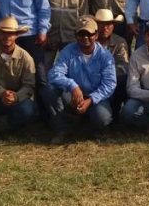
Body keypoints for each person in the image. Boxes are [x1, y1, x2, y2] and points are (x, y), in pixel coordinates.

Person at [43, 16, 116, 144]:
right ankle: (61, 130)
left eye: (89, 34)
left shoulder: (105, 56)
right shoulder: (67, 51)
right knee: (50, 90)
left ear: (96, 35)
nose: (85, 38)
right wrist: (72, 86)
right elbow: (54, 74)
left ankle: (97, 131)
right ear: (75, 35)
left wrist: (90, 100)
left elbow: (110, 84)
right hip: (73, 95)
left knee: (102, 118)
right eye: (81, 34)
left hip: (95, 98)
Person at [94, 8, 129, 115]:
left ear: (113, 26)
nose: (105, 28)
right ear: (95, 25)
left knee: (124, 79)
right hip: (91, 81)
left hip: (111, 79)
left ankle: (115, 110)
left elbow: (123, 66)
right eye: (101, 24)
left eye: (108, 24)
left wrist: (103, 73)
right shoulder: (88, 40)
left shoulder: (120, 42)